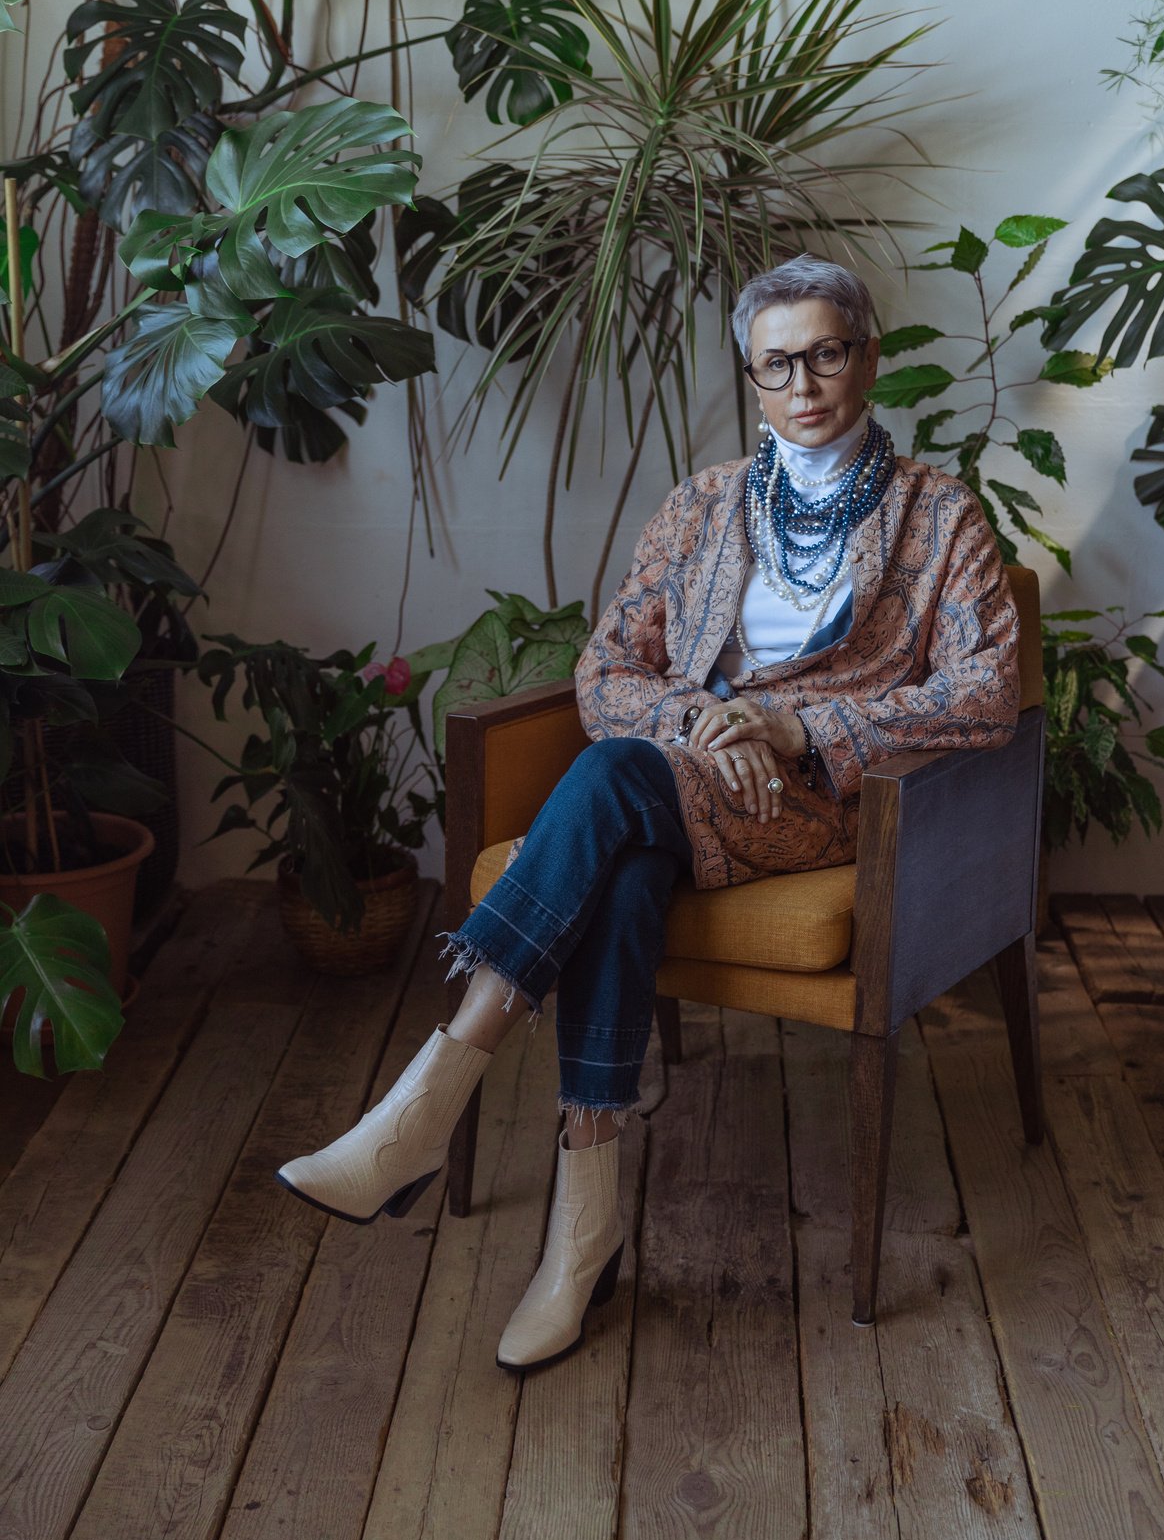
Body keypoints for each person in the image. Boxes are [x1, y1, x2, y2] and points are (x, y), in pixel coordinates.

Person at [276, 254, 1021, 1373]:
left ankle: (435, 1103)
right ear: (752, 379)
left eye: (825, 353)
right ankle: (583, 1231)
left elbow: (985, 691)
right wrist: (703, 724)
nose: (804, 382)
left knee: (618, 782)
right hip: (684, 777)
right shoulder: (704, 504)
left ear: (865, 356)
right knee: (624, 839)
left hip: (822, 806)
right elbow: (607, 667)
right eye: (777, 364)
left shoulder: (940, 514)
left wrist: (794, 730)